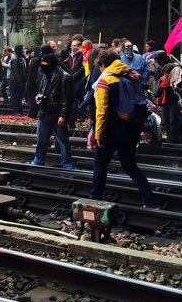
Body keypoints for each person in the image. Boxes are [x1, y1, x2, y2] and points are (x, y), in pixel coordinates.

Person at [90, 50, 159, 208]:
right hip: (131, 128)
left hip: (111, 131)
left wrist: (98, 135)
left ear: (102, 64)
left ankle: (94, 199)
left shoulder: (105, 80)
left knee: (100, 164)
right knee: (130, 165)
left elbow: (101, 112)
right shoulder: (132, 76)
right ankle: (150, 200)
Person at [31, 54, 74, 169]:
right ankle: (38, 159)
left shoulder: (65, 77)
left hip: (56, 113)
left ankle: (67, 163)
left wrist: (63, 115)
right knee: (41, 140)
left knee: (63, 141)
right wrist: (38, 97)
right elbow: (42, 89)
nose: (43, 66)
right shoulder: (45, 74)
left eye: (45, 64)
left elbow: (67, 99)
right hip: (44, 112)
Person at [26, 44, 51, 118]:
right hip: (36, 83)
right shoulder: (37, 60)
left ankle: (33, 113)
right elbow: (35, 74)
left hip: (33, 83)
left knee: (34, 98)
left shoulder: (35, 60)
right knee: (36, 98)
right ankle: (34, 113)